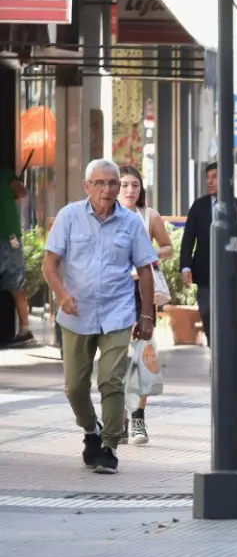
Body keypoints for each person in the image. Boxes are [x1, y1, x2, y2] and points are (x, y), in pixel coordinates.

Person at [42, 159, 158, 475]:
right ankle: (91, 430)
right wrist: (63, 296)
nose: (108, 189)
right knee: (74, 387)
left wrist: (146, 315)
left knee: (111, 380)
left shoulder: (131, 223)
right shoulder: (69, 217)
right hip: (76, 315)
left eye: (113, 183)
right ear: (88, 186)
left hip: (117, 313)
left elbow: (145, 269)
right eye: (101, 183)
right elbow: (49, 265)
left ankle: (108, 446)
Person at [117, 164, 174, 445]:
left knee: (142, 353)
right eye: (124, 184)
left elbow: (168, 246)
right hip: (114, 292)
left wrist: (149, 253)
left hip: (143, 289)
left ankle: (137, 418)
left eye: (135, 185)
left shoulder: (148, 216)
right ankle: (120, 418)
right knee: (118, 355)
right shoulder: (106, 215)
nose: (130, 190)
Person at [179, 162, 237, 342]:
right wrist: (186, 266)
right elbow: (188, 238)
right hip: (205, 272)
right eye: (208, 177)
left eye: (215, 177)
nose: (209, 181)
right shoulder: (199, 206)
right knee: (207, 311)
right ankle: (214, 349)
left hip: (233, 273)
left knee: (231, 314)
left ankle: (228, 350)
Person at [0, 161, 32, 343]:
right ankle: (25, 328)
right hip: (12, 238)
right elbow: (22, 192)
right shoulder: (5, 174)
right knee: (16, 285)